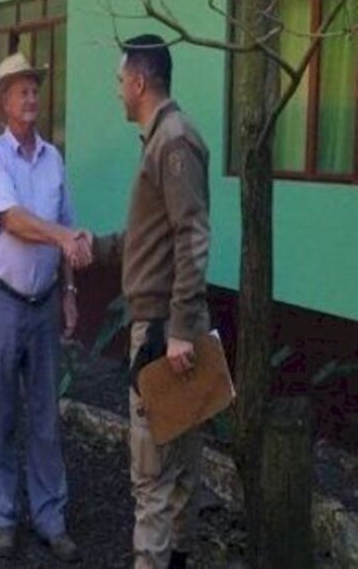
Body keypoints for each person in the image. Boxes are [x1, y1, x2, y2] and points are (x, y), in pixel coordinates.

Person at [90, 34, 211, 569]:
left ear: (139, 82)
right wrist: (90, 248)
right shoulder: (160, 140)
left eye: (120, 82)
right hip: (171, 328)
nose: (118, 92)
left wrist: (180, 329)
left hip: (165, 334)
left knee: (154, 481)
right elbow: (151, 239)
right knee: (179, 473)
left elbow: (192, 235)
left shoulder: (173, 142)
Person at [0, 52, 87, 562]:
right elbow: (13, 220)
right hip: (3, 302)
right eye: (22, 90)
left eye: (35, 89)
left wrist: (69, 292)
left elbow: (65, 230)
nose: (32, 98)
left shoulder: (54, 159)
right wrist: (63, 236)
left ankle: (49, 516)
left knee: (45, 416)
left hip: (44, 305)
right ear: (3, 102)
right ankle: (4, 514)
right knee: (2, 414)